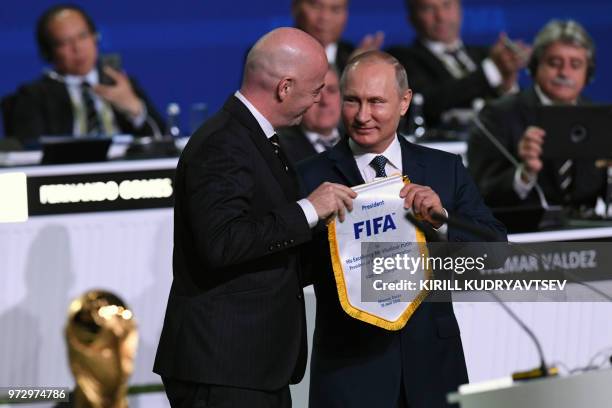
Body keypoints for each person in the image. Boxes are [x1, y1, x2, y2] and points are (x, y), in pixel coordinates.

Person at [153, 27, 356, 408]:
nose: (317, 102)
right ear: (284, 87)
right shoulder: (223, 143)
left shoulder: (257, 139)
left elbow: (272, 250)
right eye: (315, 90)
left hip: (253, 365)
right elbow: (223, 243)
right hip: (223, 365)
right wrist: (309, 209)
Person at [298, 51, 506, 408]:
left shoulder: (445, 168)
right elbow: (290, 270)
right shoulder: (308, 177)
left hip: (434, 366)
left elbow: (496, 252)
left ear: (404, 102)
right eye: (352, 101)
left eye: (376, 102)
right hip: (351, 371)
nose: (363, 116)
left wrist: (441, 223)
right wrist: (315, 221)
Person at [467, 20, 604, 212]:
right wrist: (524, 174)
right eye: (554, 63)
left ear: (588, 73)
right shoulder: (498, 115)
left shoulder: (598, 118)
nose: (564, 73)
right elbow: (479, 191)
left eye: (575, 65)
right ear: (534, 66)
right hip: (524, 235)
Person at [8, 4, 164, 146]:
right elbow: (29, 151)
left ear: (95, 37)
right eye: (65, 42)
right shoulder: (33, 96)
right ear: (48, 52)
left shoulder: (119, 83)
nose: (77, 48)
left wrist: (136, 109)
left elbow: (163, 142)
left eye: (83, 36)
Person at [387, 0, 528, 128]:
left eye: (447, 5)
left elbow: (519, 111)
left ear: (460, 10)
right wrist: (492, 71)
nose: (440, 16)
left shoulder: (484, 54)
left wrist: (507, 84)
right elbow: (429, 103)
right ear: (412, 18)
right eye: (428, 9)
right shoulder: (402, 58)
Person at [292, 0, 384, 73]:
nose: (325, 17)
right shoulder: (280, 54)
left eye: (335, 9)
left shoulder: (353, 59)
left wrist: (356, 74)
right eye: (316, 6)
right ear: (295, 8)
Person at [279, 65, 342, 163]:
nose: (325, 101)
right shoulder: (281, 149)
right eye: (316, 92)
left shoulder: (357, 138)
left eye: (331, 90)